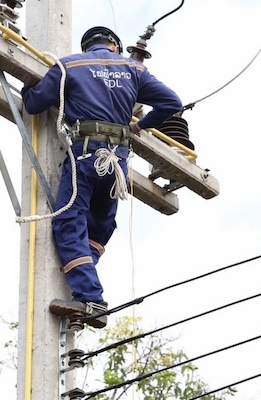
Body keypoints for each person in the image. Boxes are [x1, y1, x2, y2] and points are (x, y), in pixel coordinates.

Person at [21, 26, 182, 328]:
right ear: (115, 46)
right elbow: (172, 103)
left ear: (86, 47)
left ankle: (90, 297)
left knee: (69, 223)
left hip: (86, 155)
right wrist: (139, 125)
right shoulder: (134, 69)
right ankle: (85, 286)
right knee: (98, 229)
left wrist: (28, 85)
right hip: (116, 163)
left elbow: (32, 104)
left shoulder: (69, 66)